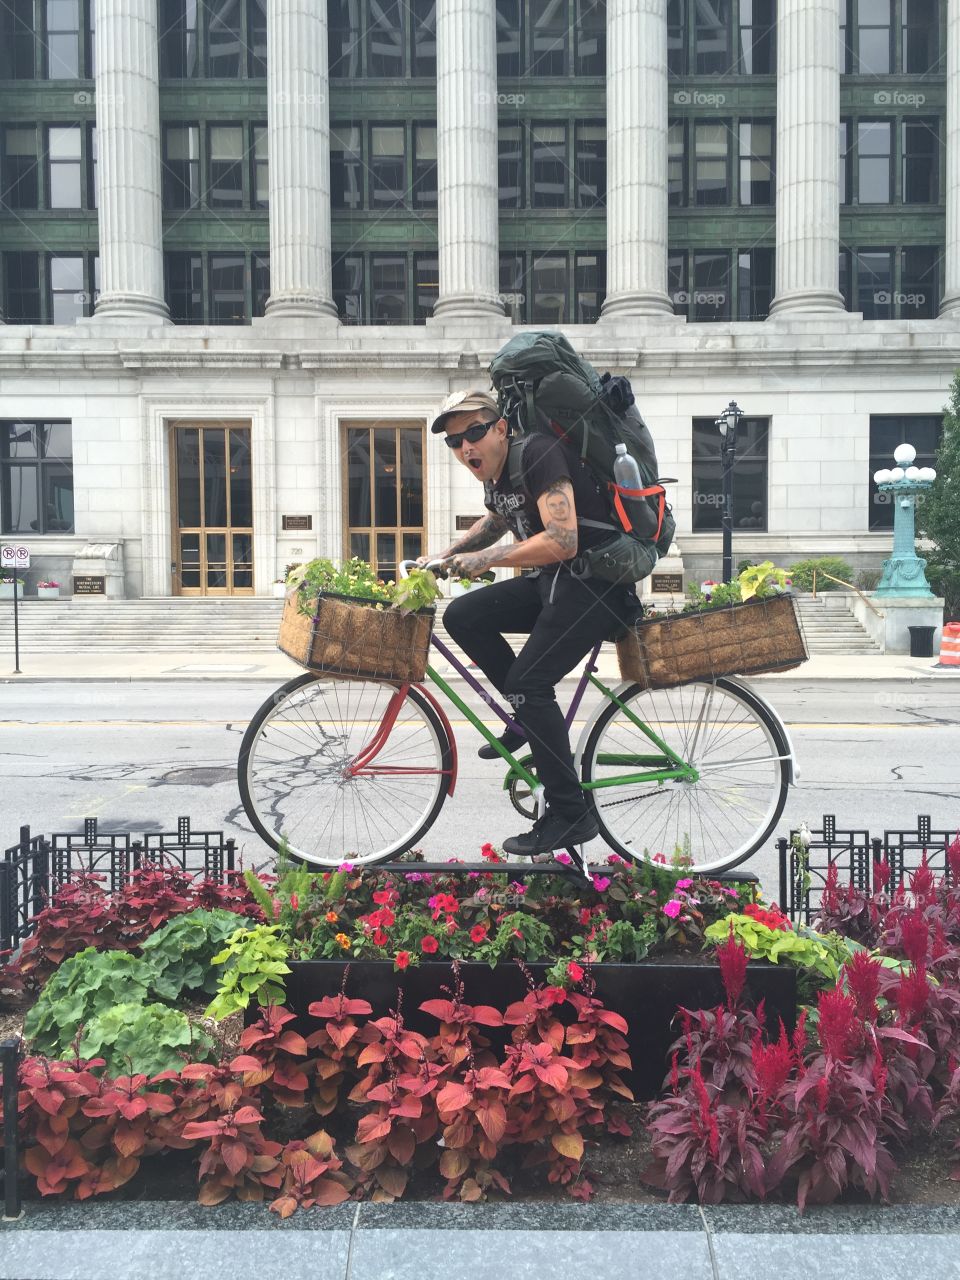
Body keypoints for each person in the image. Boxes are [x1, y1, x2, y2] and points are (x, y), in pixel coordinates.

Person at [422, 388, 641, 857]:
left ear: (501, 428)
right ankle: (525, 720)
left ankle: (571, 814)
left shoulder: (538, 452)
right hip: (557, 584)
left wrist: (487, 560)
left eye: (475, 433)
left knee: (529, 681)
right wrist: (444, 557)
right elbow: (497, 521)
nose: (466, 448)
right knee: (464, 614)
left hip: (595, 587)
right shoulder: (498, 475)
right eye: (455, 442)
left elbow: (562, 540)